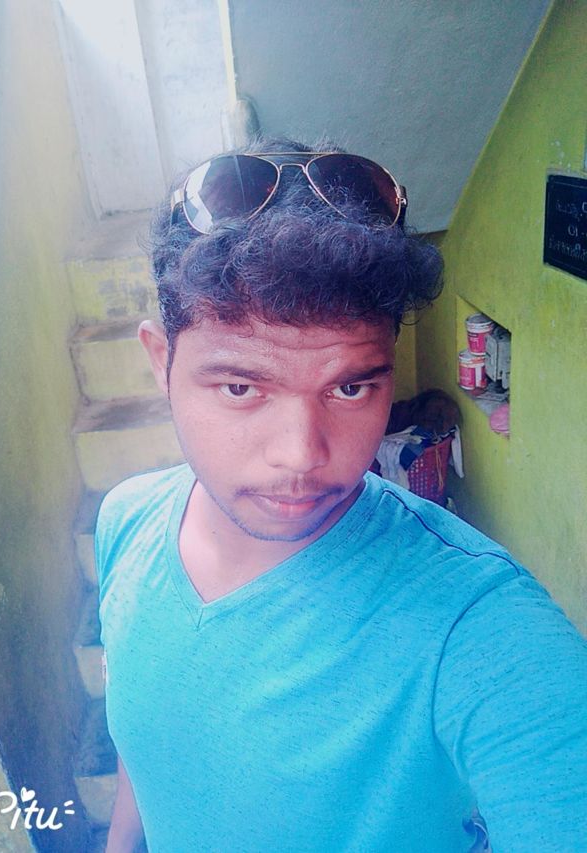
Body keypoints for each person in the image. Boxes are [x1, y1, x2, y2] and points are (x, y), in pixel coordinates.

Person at [96, 138, 587, 853]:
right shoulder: (126, 521)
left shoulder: (482, 628)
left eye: (351, 387)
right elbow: (145, 751)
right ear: (160, 361)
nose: (302, 453)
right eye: (241, 387)